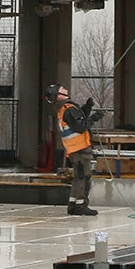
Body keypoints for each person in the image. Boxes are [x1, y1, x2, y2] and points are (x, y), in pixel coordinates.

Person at [44, 83, 103, 215]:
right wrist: (94, 118)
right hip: (80, 149)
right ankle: (81, 206)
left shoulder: (64, 109)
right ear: (59, 96)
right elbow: (81, 126)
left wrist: (87, 108)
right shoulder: (68, 108)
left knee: (78, 177)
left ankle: (73, 204)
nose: (64, 88)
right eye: (61, 89)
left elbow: (78, 120)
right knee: (84, 177)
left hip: (74, 149)